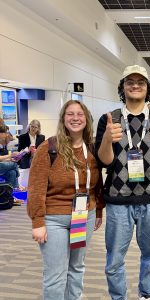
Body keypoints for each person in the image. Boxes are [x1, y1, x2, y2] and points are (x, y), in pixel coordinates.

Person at [95, 64, 150, 300]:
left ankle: (146, 295)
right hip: (119, 199)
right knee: (114, 259)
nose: (135, 85)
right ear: (123, 87)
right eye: (130, 81)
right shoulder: (110, 119)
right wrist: (108, 139)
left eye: (141, 82)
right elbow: (105, 162)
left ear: (147, 88)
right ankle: (118, 297)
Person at [27, 100, 104, 300]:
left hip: (83, 217)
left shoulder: (92, 149)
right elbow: (36, 187)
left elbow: (97, 185)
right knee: (56, 274)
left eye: (80, 114)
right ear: (63, 118)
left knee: (77, 268)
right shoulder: (49, 148)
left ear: (86, 119)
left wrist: (99, 210)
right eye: (70, 114)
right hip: (54, 220)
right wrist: (38, 221)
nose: (75, 118)